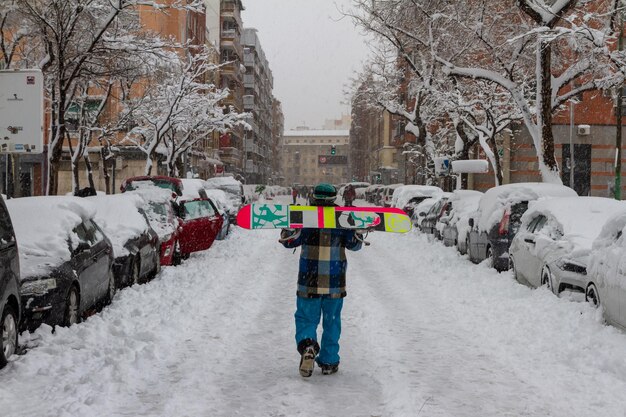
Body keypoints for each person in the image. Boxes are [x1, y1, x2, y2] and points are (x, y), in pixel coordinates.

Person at [279, 183, 364, 377]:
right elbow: (354, 245)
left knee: (306, 318)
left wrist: (288, 228)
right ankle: (329, 361)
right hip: (335, 281)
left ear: (313, 197)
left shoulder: (305, 218)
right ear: (334, 199)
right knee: (332, 322)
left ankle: (308, 345)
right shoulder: (343, 219)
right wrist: (357, 231)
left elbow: (289, 241)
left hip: (309, 279)